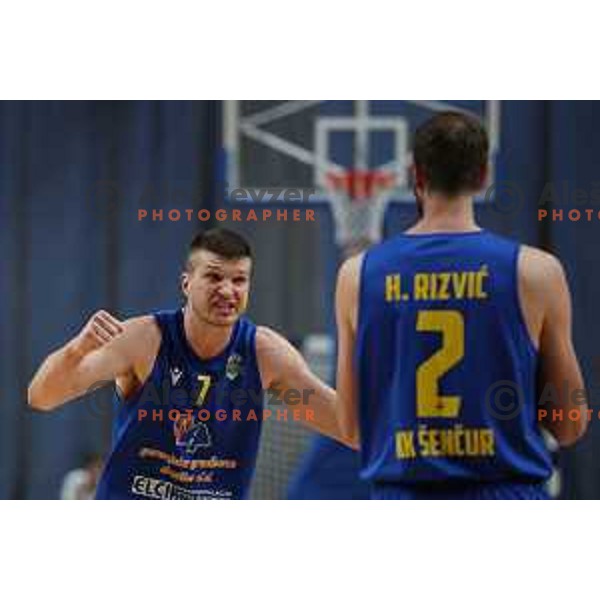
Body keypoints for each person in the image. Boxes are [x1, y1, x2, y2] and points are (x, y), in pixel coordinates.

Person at [334, 111, 588, 500]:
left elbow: (350, 427)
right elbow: (570, 425)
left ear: (415, 177)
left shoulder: (357, 275)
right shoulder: (537, 272)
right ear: (484, 176)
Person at [29, 228, 352, 499]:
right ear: (186, 284)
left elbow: (346, 427)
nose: (227, 290)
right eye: (213, 276)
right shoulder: (143, 340)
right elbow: (42, 397)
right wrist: (76, 349)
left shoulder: (265, 354)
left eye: (239, 280)